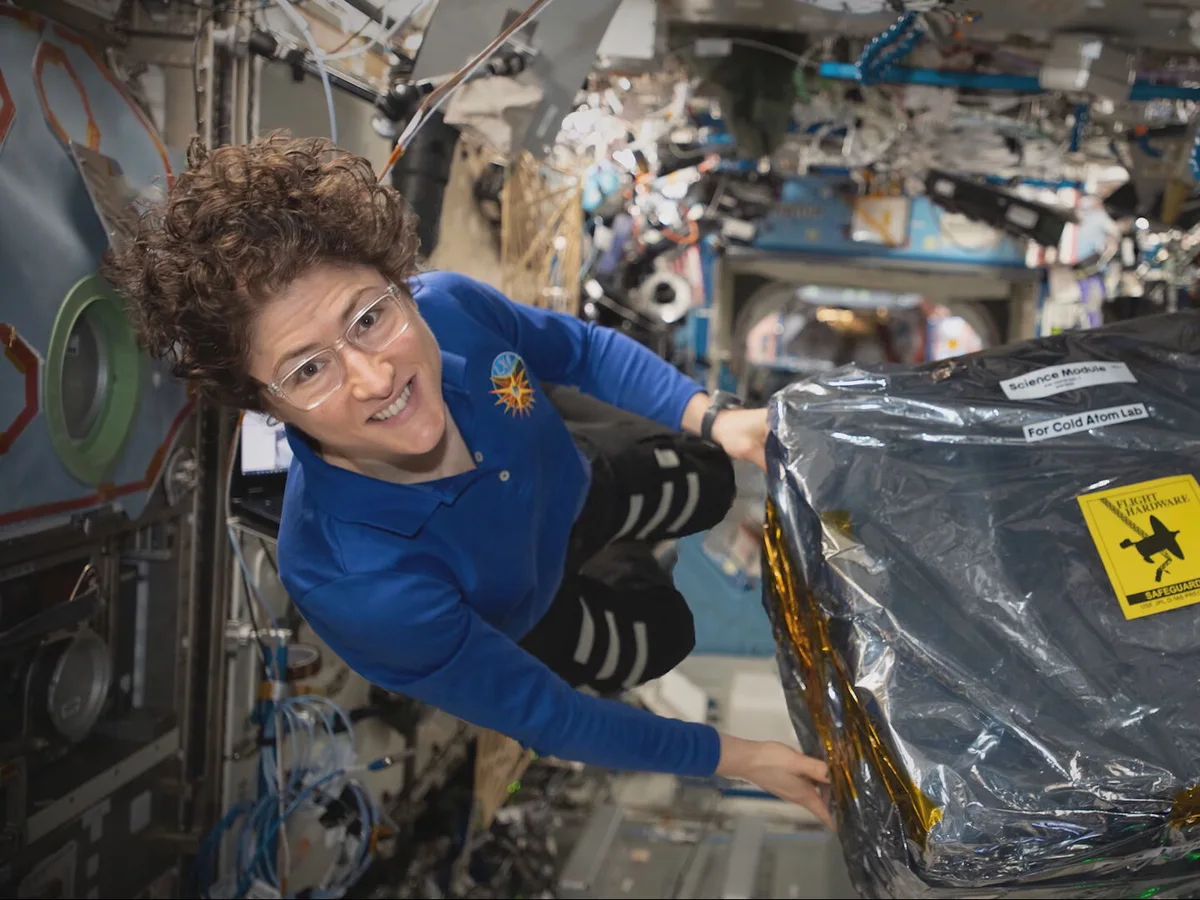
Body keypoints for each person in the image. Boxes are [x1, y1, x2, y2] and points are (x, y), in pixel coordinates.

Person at [103, 133, 833, 825]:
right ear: (263, 404)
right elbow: (551, 716)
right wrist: (738, 757)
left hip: (577, 483)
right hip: (532, 612)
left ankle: (635, 534)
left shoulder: (452, 307)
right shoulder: (356, 583)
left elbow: (577, 350)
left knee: (706, 475)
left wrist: (713, 418)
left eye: (367, 318)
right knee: (665, 637)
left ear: (400, 284)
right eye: (307, 368)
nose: (373, 377)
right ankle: (630, 571)